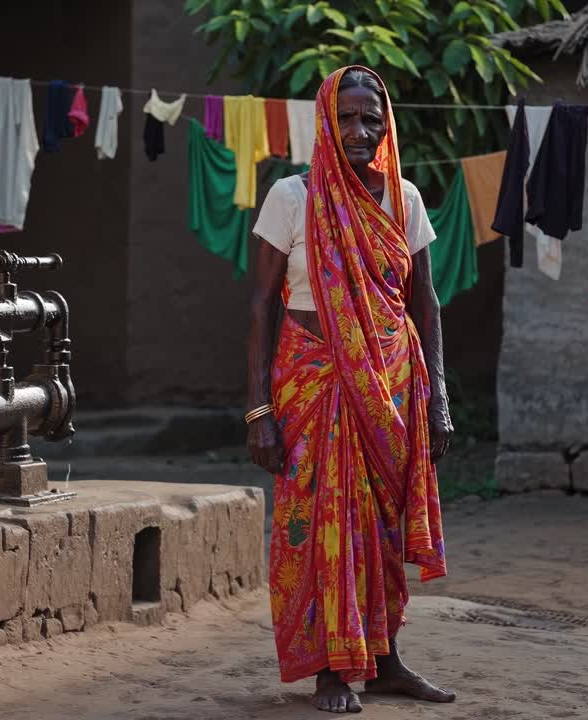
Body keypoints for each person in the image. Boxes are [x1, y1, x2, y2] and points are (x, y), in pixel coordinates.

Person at [245, 65, 455, 714]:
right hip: (312, 382)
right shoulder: (291, 196)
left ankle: (385, 662)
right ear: (323, 122)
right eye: (348, 118)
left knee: (383, 534)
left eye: (374, 118)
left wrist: (439, 399)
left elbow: (427, 304)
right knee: (316, 527)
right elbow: (260, 308)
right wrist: (257, 410)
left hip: (391, 390)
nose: (361, 131)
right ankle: (331, 672)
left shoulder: (405, 200)